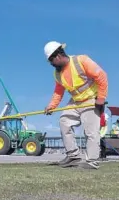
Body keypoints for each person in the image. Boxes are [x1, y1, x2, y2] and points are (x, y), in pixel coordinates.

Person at [43, 41, 108, 170]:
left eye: (51, 61)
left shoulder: (81, 60)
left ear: (58, 55)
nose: (51, 64)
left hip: (91, 99)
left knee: (91, 131)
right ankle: (73, 156)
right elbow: (58, 91)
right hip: (76, 101)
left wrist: (101, 98)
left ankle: (92, 161)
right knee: (64, 121)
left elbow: (101, 76)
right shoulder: (57, 74)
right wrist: (52, 106)